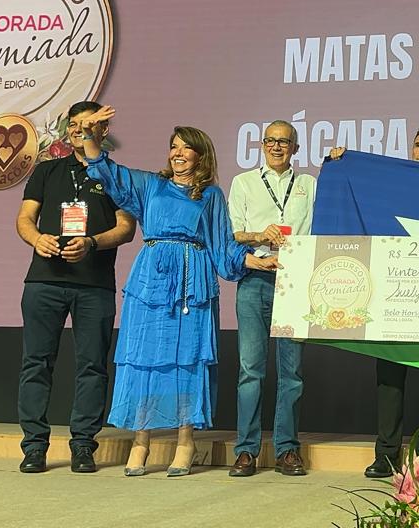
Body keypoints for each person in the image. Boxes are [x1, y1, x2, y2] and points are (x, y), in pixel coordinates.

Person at [78, 106, 277, 477]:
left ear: (200, 155)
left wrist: (257, 261)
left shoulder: (211, 195)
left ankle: (186, 441)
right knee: (145, 357)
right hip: (151, 278)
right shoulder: (151, 185)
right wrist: (91, 135)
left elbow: (223, 247)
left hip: (193, 282)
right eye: (174, 146)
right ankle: (141, 441)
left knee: (189, 358)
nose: (178, 152)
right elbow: (106, 171)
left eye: (186, 147)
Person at [15, 101, 136, 474]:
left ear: (103, 130)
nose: (78, 130)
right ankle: (34, 447)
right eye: (73, 125)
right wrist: (37, 238)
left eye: (88, 124)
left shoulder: (116, 176)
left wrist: (92, 243)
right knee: (36, 363)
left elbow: (126, 228)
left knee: (92, 366)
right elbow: (25, 218)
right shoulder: (47, 170)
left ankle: (83, 444)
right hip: (44, 282)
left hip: (94, 285)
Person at [228, 120, 318, 477]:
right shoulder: (244, 182)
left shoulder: (309, 184)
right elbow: (233, 232)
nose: (277, 146)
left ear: (295, 148)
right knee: (250, 370)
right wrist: (258, 235)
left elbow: (324, 223)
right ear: (262, 145)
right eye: (270, 141)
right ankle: (246, 451)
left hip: (294, 282)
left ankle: (287, 450)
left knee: (291, 373)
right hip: (255, 279)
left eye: (284, 141)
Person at [363, 125, 419, 481]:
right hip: (394, 296)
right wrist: (342, 160)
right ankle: (386, 455)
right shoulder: (395, 185)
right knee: (389, 382)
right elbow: (363, 187)